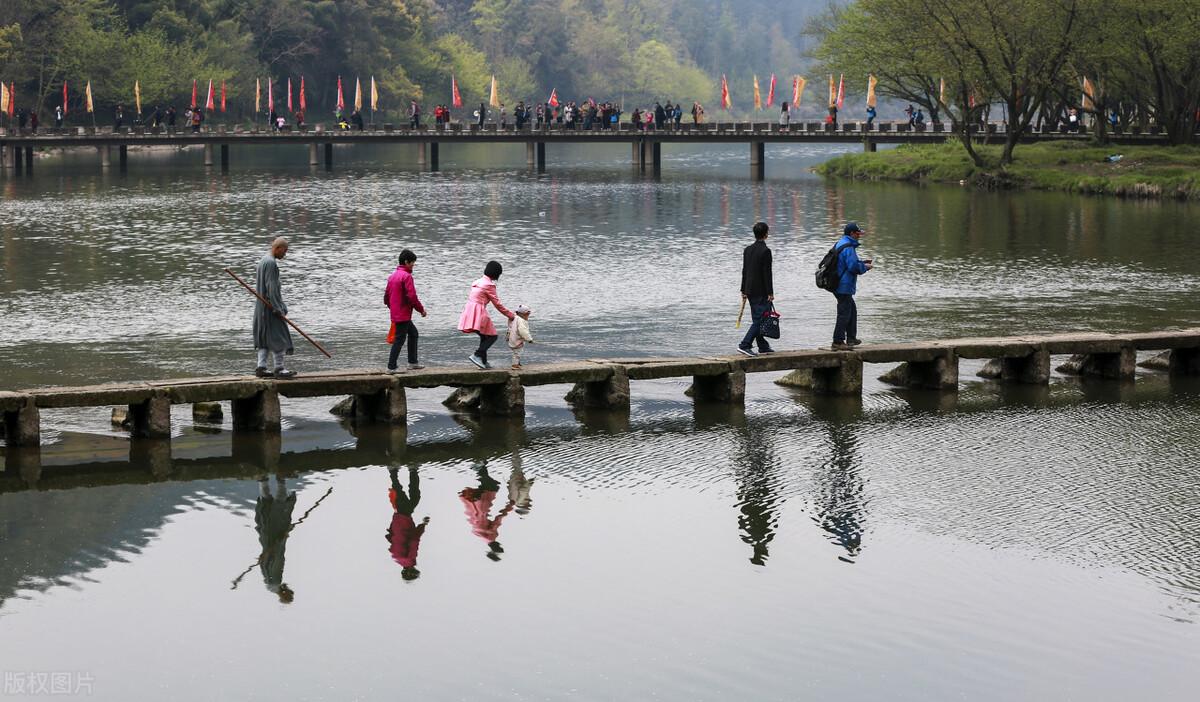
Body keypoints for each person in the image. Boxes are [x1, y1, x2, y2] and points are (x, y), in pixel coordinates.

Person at [252, 237, 297, 379]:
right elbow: (272, 288)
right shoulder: (271, 263)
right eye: (285, 251)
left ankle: (261, 367)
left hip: (261, 308)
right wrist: (279, 308)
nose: (285, 254)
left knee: (264, 338)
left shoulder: (263, 260)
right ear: (277, 248)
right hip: (270, 308)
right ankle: (279, 369)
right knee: (280, 336)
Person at [458, 260, 515, 369]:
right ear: (496, 273)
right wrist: (511, 315)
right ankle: (477, 355)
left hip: (469, 309)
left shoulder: (478, 281)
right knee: (493, 336)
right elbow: (498, 305)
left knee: (485, 336)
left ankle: (483, 362)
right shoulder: (489, 285)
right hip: (479, 310)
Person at [459, 461, 515, 562]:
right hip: (474, 506)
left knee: (493, 486)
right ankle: (481, 468)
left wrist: (510, 505)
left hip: (482, 505)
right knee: (488, 486)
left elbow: (499, 518)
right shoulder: (479, 535)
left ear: (497, 546)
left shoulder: (492, 536)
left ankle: (479, 468)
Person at [831, 222, 872, 351]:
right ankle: (837, 341)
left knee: (851, 310)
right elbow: (852, 267)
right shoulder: (848, 247)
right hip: (843, 285)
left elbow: (847, 263)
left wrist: (861, 262)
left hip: (838, 284)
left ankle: (851, 338)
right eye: (858, 234)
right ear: (852, 234)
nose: (859, 236)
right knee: (844, 313)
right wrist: (864, 267)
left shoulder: (841, 242)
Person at [255, 474, 297, 603]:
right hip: (266, 539)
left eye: (289, 592)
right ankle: (262, 480)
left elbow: (278, 556)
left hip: (274, 537)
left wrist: (283, 537)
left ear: (285, 594)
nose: (289, 588)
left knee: (280, 508)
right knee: (266, 509)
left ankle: (281, 480)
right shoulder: (268, 580)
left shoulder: (276, 579)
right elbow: (264, 560)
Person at [384, 249, 427, 372]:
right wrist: (421, 310)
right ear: (406, 262)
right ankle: (391, 367)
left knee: (413, 334)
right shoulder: (406, 277)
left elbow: (386, 296)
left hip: (398, 313)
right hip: (403, 314)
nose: (414, 265)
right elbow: (412, 297)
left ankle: (413, 362)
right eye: (412, 262)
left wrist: (392, 307)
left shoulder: (392, 276)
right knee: (399, 340)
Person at [738, 222, 775, 357]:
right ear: (766, 234)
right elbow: (767, 273)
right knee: (760, 320)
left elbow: (745, 271)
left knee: (758, 318)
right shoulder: (766, 251)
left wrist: (743, 289)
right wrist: (770, 292)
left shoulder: (748, 249)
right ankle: (745, 344)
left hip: (750, 289)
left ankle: (762, 346)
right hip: (761, 291)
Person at [387, 467, 428, 581]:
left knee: (412, 496)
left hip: (404, 519)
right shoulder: (396, 558)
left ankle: (409, 469)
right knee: (404, 495)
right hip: (398, 520)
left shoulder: (410, 560)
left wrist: (423, 525)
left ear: (411, 570)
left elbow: (415, 540)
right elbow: (390, 538)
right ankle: (397, 471)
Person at [507, 304, 534, 369]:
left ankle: (517, 363)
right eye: (527, 315)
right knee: (517, 352)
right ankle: (514, 365)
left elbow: (510, 326)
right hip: (517, 339)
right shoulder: (521, 321)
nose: (527, 316)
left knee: (516, 352)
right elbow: (523, 331)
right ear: (522, 314)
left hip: (512, 338)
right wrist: (529, 339)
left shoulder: (515, 318)